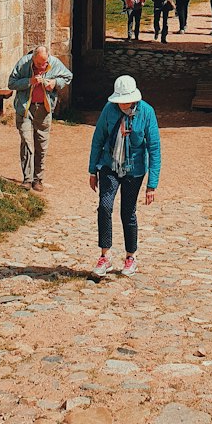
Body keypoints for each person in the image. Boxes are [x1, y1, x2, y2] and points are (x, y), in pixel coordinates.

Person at [88, 75, 161, 278]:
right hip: (109, 165)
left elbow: (154, 148)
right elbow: (98, 138)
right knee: (104, 206)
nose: (121, 104)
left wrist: (151, 185)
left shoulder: (146, 112)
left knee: (127, 212)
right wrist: (93, 170)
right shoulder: (109, 110)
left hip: (134, 169)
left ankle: (130, 256)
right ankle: (105, 255)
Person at [8, 45, 73, 192]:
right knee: (27, 142)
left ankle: (38, 179)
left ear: (48, 58)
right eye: (38, 64)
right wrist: (29, 81)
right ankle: (27, 179)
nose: (42, 66)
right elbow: (11, 83)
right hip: (25, 109)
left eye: (44, 63)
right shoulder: (23, 63)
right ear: (33, 59)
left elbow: (68, 76)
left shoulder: (54, 63)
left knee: (41, 145)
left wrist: (55, 83)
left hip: (44, 109)